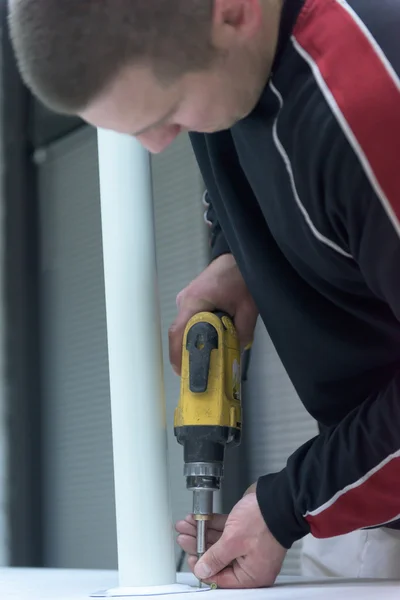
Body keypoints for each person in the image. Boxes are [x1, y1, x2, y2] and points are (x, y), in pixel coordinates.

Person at [8, 0, 400, 589]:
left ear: (234, 12)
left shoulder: (368, 99)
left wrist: (286, 503)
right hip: (369, 508)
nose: (159, 145)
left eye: (168, 114)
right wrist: (236, 255)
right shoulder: (233, 68)